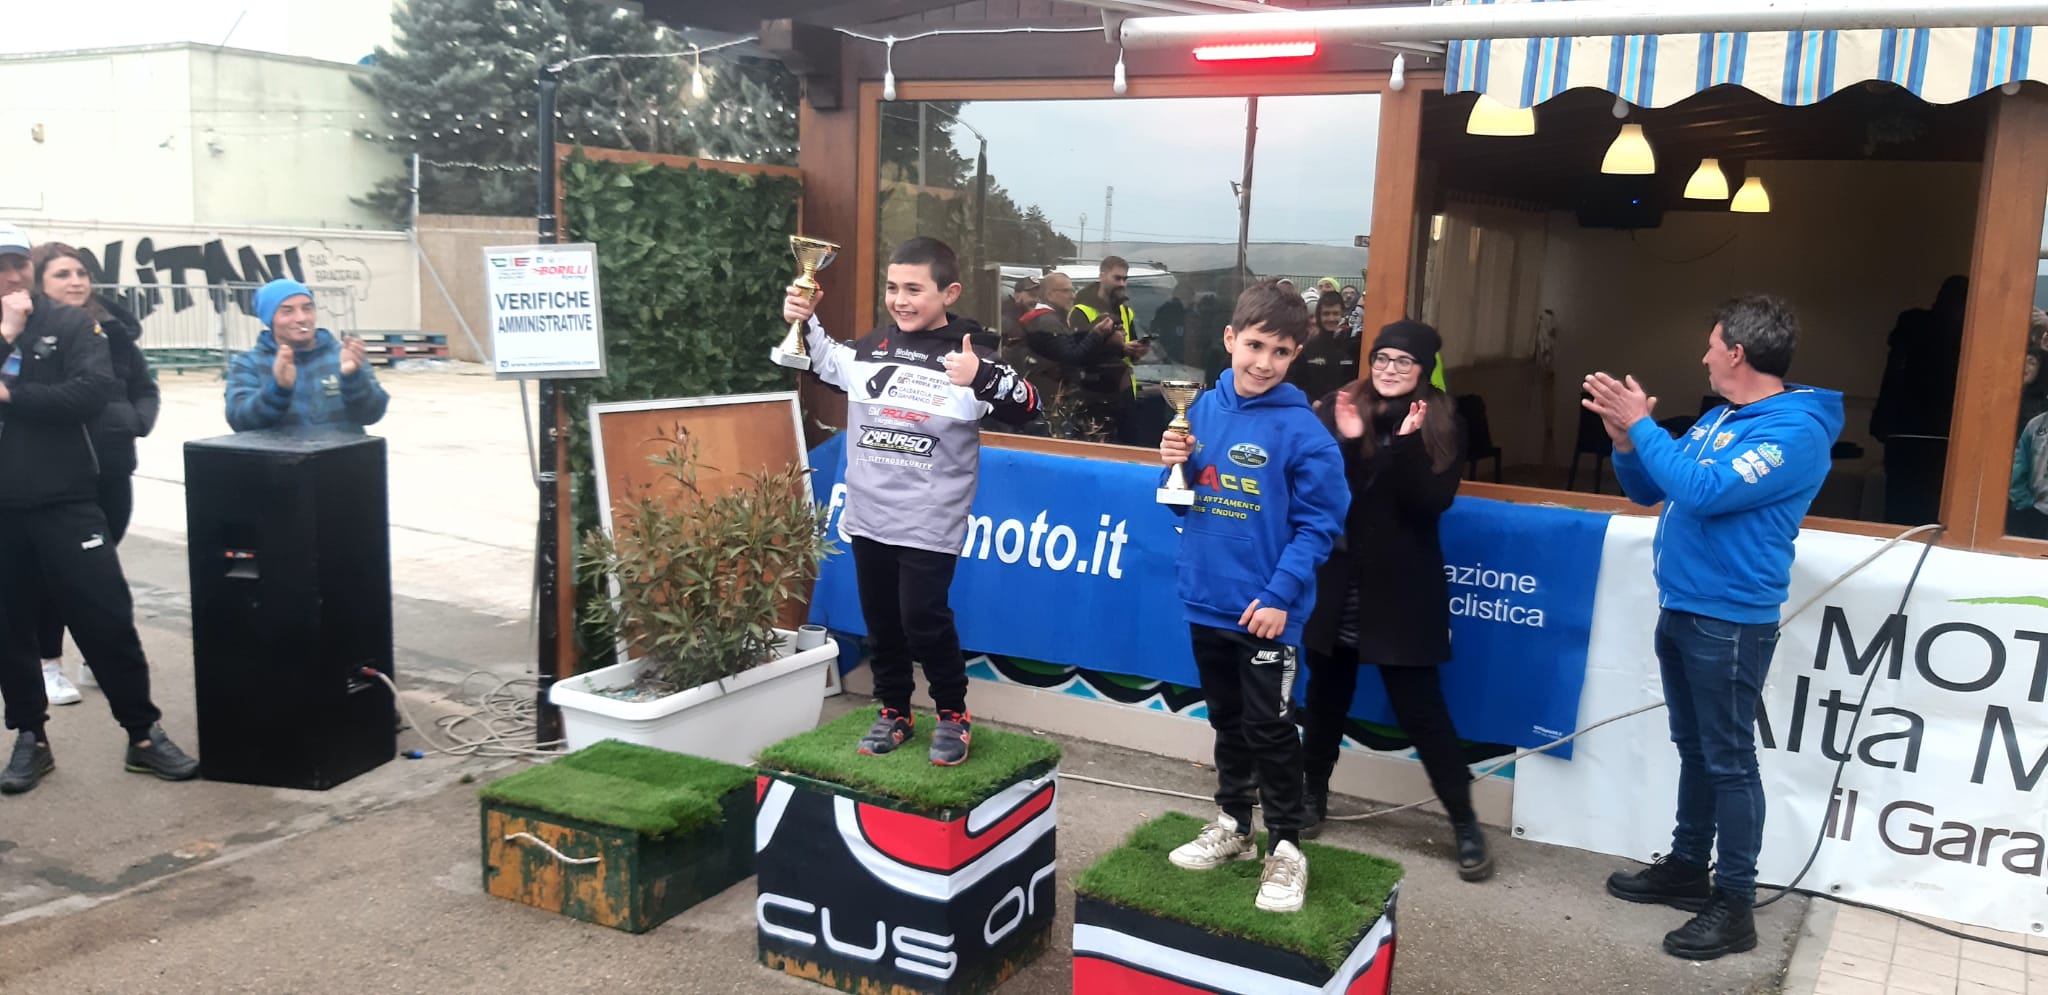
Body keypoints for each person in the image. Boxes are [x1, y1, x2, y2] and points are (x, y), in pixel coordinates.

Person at [1583, 295, 1842, 961]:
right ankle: (1687, 866)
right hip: (1685, 606)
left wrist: (1642, 424)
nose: (1703, 357)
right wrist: (1626, 441)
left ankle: (1734, 903)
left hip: (1730, 618)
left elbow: (1701, 491)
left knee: (1729, 761)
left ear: (1738, 353)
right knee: (1697, 751)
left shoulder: (1795, 430)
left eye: (1711, 345)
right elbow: (1652, 489)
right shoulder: (1721, 416)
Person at [782, 237, 1039, 765]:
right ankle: (894, 709)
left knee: (922, 617)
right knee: (881, 620)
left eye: (914, 290)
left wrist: (982, 376)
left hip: (930, 519)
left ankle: (952, 714)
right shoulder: (872, 346)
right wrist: (804, 318)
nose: (900, 300)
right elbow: (823, 360)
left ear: (949, 293)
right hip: (868, 515)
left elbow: (1029, 406)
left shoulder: (971, 354)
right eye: (893, 288)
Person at [1157, 280, 1348, 914]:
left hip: (1267, 612)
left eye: (1281, 352)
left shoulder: (1307, 433)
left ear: (1296, 355)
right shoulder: (1199, 411)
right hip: (1206, 599)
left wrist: (1278, 597)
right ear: (1230, 339)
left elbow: (1320, 527)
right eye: (1256, 346)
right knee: (1226, 719)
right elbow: (1180, 503)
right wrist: (1173, 464)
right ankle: (1234, 825)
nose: (1264, 363)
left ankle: (1287, 846)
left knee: (1269, 728)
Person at [0, 222, 199, 793]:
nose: (11, 276)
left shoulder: (70, 323)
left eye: (18, 263)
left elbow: (90, 393)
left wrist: (13, 394)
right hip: (3, 511)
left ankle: (143, 735)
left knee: (105, 618)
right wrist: (6, 334)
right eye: (0, 267)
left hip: (67, 499)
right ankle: (31, 737)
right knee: (10, 629)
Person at [1297, 320, 1491, 881]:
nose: (1388, 369)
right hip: (1339, 585)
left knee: (1422, 712)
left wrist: (1404, 445)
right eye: (1381, 358)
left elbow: (1430, 503)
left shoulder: (1445, 419)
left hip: (1402, 590)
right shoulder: (1340, 405)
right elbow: (1325, 493)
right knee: (1325, 700)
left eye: (1402, 361)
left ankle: (1465, 823)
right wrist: (1347, 441)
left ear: (1423, 368)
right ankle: (1312, 796)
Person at [29, 243, 159, 703]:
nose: (76, 281)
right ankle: (47, 663)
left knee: (100, 573)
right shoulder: (33, 334)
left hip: (113, 466)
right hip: (59, 475)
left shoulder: (113, 331)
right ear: (39, 283)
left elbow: (145, 387)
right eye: (62, 274)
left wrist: (134, 420)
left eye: (81, 273)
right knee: (54, 572)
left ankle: (98, 658)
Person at [225, 278, 389, 433]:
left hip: (343, 454)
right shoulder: (249, 363)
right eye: (287, 311)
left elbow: (371, 415)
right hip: (280, 454)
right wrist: (279, 389)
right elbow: (240, 421)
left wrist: (353, 378)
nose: (301, 318)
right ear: (270, 319)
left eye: (307, 308)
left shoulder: (343, 355)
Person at [1067, 256, 1148, 444]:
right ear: (1102, 276)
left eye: (1125, 279)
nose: (1122, 284)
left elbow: (1128, 347)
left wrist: (1137, 350)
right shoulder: (1081, 311)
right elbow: (1079, 354)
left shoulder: (1126, 311)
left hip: (1123, 392)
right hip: (1093, 394)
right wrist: (1118, 347)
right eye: (1117, 278)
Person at [1286, 293, 1360, 404]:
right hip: (1314, 409)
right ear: (1319, 316)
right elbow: (1294, 382)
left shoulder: (1351, 347)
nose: (1331, 318)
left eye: (1335, 313)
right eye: (1326, 314)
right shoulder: (1307, 348)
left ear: (1342, 314)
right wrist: (1311, 401)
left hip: (1344, 408)